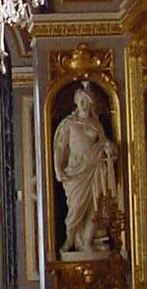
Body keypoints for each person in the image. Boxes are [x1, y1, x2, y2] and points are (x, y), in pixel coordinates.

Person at [53, 84, 116, 254]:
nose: (83, 104)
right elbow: (60, 148)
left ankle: (87, 242)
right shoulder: (69, 123)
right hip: (75, 171)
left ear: (91, 104)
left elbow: (104, 144)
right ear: (76, 102)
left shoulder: (97, 125)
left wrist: (109, 148)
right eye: (81, 100)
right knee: (75, 207)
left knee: (94, 208)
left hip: (94, 169)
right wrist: (58, 169)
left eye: (87, 101)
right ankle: (70, 240)